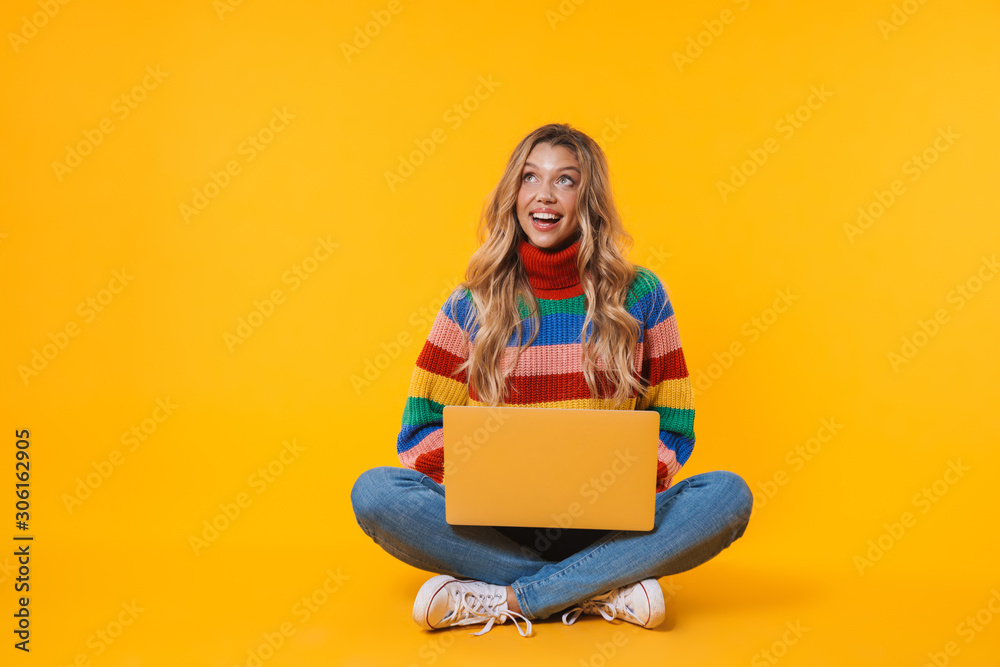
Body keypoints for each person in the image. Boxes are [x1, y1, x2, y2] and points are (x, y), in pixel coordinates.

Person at [350, 123, 753, 638]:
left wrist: (626, 485)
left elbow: (674, 419)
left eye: (565, 180)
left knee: (727, 496)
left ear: (589, 198)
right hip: (496, 529)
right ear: (512, 195)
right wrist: (482, 484)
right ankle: (600, 589)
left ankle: (511, 597)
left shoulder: (642, 294)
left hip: (611, 526)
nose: (544, 195)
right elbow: (420, 429)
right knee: (377, 493)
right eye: (530, 178)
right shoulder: (470, 302)